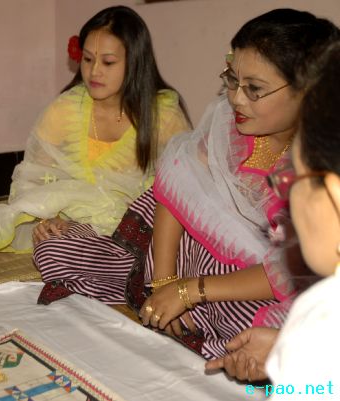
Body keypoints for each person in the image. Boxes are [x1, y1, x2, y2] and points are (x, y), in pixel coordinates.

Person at [123, 9, 339, 359]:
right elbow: (177, 184)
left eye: (254, 89)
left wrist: (190, 291)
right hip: (188, 258)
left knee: (275, 330)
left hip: (251, 283)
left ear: (307, 91)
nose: (237, 98)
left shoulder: (323, 162)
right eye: (233, 80)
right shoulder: (229, 122)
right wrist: (165, 281)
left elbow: (291, 270)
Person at [0, 6, 190, 256]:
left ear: (135, 62)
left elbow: (184, 190)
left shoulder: (163, 116)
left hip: (138, 233)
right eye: (87, 59)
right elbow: (32, 181)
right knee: (52, 247)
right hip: (70, 228)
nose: (94, 71)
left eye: (108, 62)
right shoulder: (65, 109)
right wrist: (47, 222)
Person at [205, 41, 340, 388]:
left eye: (294, 179)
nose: (287, 196)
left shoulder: (324, 313)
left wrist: (296, 355)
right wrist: (285, 346)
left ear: (333, 195)